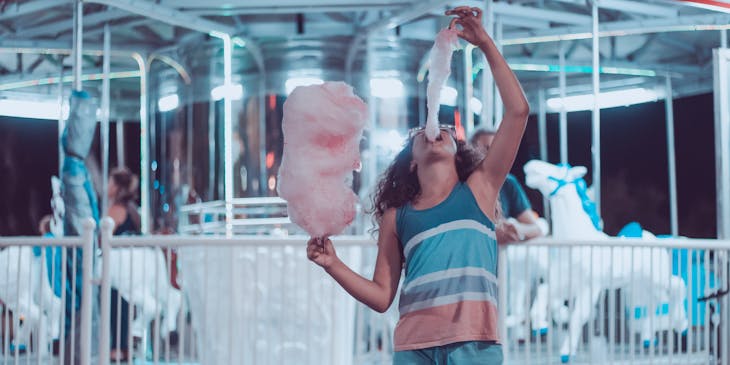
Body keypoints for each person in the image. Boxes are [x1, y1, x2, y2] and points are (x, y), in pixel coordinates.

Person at [307, 6, 529, 364]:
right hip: (413, 348)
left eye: (447, 131)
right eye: (420, 134)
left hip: (475, 344)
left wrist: (484, 43)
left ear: (458, 150)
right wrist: (332, 263)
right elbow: (382, 296)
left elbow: (518, 111)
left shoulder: (481, 188)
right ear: (411, 161)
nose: (435, 129)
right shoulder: (398, 216)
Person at [470, 128, 547, 243]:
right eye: (486, 149)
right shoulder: (461, 184)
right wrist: (491, 233)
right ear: (471, 152)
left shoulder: (508, 183)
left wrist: (516, 229)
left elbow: (535, 229)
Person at [107, 167, 141, 361]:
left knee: (116, 303)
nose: (107, 186)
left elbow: (104, 236)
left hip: (118, 266)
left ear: (118, 186)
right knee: (125, 305)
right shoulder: (132, 210)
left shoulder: (116, 210)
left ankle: (117, 347)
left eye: (110, 182)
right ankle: (125, 347)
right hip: (132, 264)